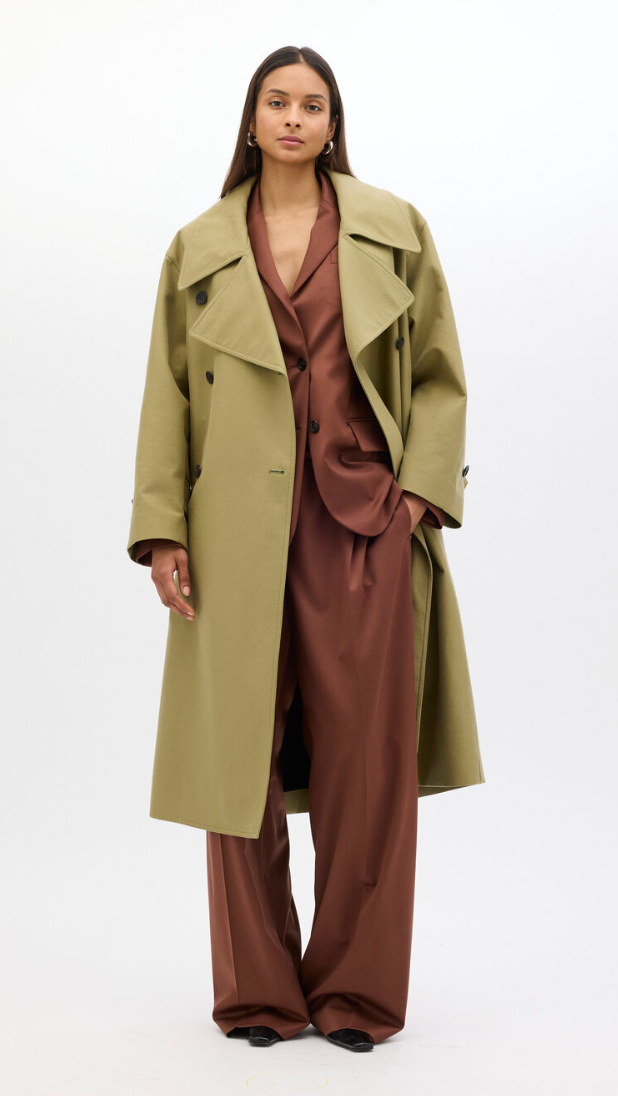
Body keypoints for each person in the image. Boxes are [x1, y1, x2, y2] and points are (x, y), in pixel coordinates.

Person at [127, 45, 485, 1053]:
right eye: (277, 102)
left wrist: (419, 496)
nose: (293, 118)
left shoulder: (394, 228)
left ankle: (357, 996)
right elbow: (166, 391)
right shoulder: (198, 247)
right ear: (251, 120)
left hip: (363, 523)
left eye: (312, 104)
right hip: (232, 534)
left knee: (368, 766)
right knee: (234, 763)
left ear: (334, 124)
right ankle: (258, 994)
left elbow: (440, 373)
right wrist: (163, 528)